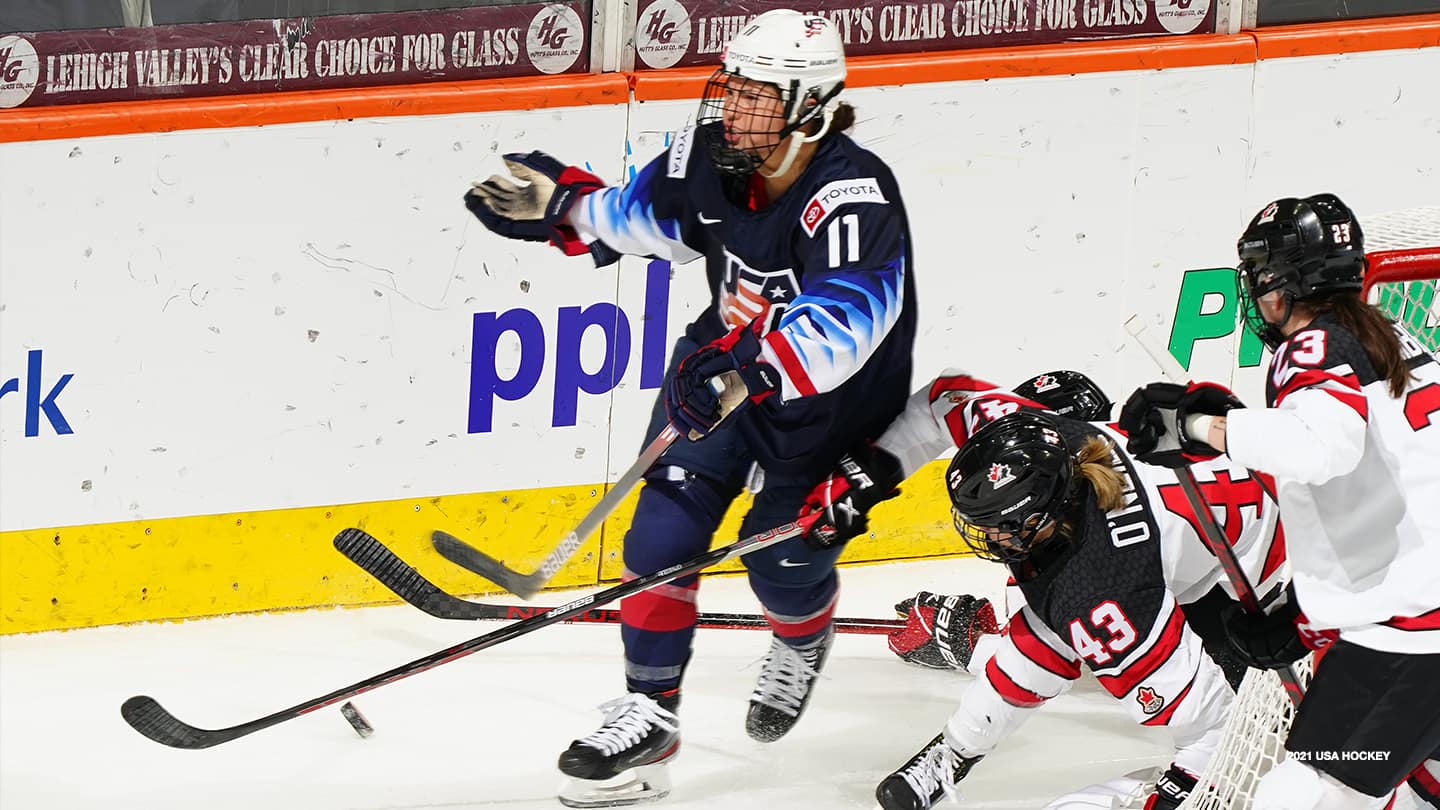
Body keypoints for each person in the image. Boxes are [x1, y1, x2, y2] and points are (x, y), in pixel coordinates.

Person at [463, 10, 916, 807]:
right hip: (720, 373)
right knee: (660, 538)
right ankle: (650, 718)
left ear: (809, 106)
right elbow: (644, 217)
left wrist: (748, 367)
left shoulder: (852, 194)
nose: (730, 108)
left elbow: (846, 326)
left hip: (827, 411)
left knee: (777, 560)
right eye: (730, 87)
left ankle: (804, 636)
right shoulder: (711, 160)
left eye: (755, 96)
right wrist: (563, 209)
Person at [799, 371, 1290, 810]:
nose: (988, 540)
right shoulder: (1046, 438)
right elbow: (945, 398)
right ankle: (953, 753)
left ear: (1046, 517)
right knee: (1041, 638)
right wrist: (861, 476)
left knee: (1248, 712)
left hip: (1275, 567)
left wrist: (1173, 796)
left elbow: (1214, 731)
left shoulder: (1105, 589)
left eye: (1001, 528)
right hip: (1223, 513)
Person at [1119, 193, 1440, 810]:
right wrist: (1300, 614)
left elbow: (1319, 448)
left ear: (1282, 283)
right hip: (1408, 629)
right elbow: (1380, 493)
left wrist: (1198, 429)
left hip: (1415, 642)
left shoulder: (1314, 346)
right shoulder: (1389, 339)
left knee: (1307, 793)